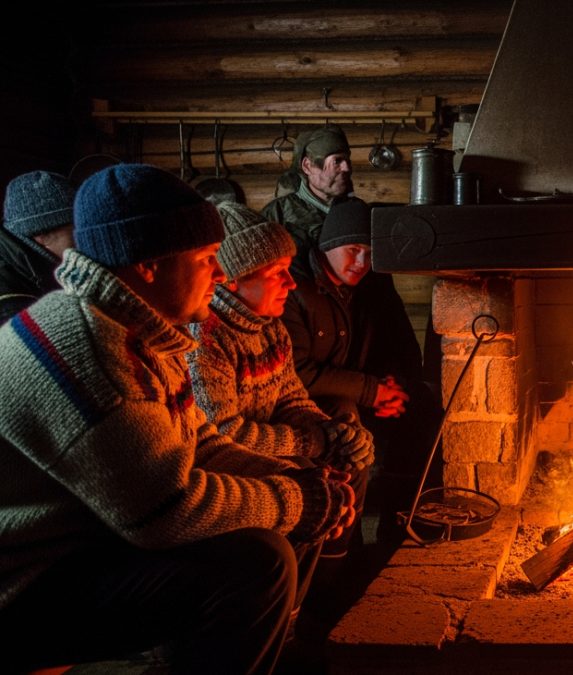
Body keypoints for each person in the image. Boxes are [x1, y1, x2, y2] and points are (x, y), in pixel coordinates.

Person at [0, 164, 355, 675]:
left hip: (80, 543)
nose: (219, 274)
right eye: (207, 259)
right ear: (148, 265)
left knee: (272, 524)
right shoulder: (91, 353)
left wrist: (295, 481)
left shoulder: (138, 331)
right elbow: (167, 511)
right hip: (22, 582)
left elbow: (202, 442)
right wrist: (296, 501)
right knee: (255, 564)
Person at [187, 201, 375, 583]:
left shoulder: (269, 327)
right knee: (315, 486)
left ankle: (328, 581)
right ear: (233, 279)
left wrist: (333, 433)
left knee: (345, 460)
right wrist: (312, 443)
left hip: (272, 442)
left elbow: (291, 397)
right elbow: (225, 435)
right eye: (278, 274)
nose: (291, 284)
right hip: (226, 466)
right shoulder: (205, 339)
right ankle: (291, 614)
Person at [281, 198, 435, 529]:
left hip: (364, 388)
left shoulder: (373, 283)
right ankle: (343, 547)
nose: (362, 262)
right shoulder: (296, 287)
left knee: (421, 406)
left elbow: (399, 343)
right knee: (346, 418)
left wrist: (394, 387)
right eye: (353, 249)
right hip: (313, 398)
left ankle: (398, 528)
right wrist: (371, 392)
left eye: (369, 252)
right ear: (329, 245)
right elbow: (298, 373)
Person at [261, 124, 354, 254]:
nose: (346, 168)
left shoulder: (356, 212)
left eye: (347, 161)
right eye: (337, 161)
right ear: (308, 166)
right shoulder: (277, 215)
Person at [0, 171, 77, 323]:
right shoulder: (10, 304)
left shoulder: (35, 264)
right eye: (76, 231)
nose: (86, 240)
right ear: (41, 234)